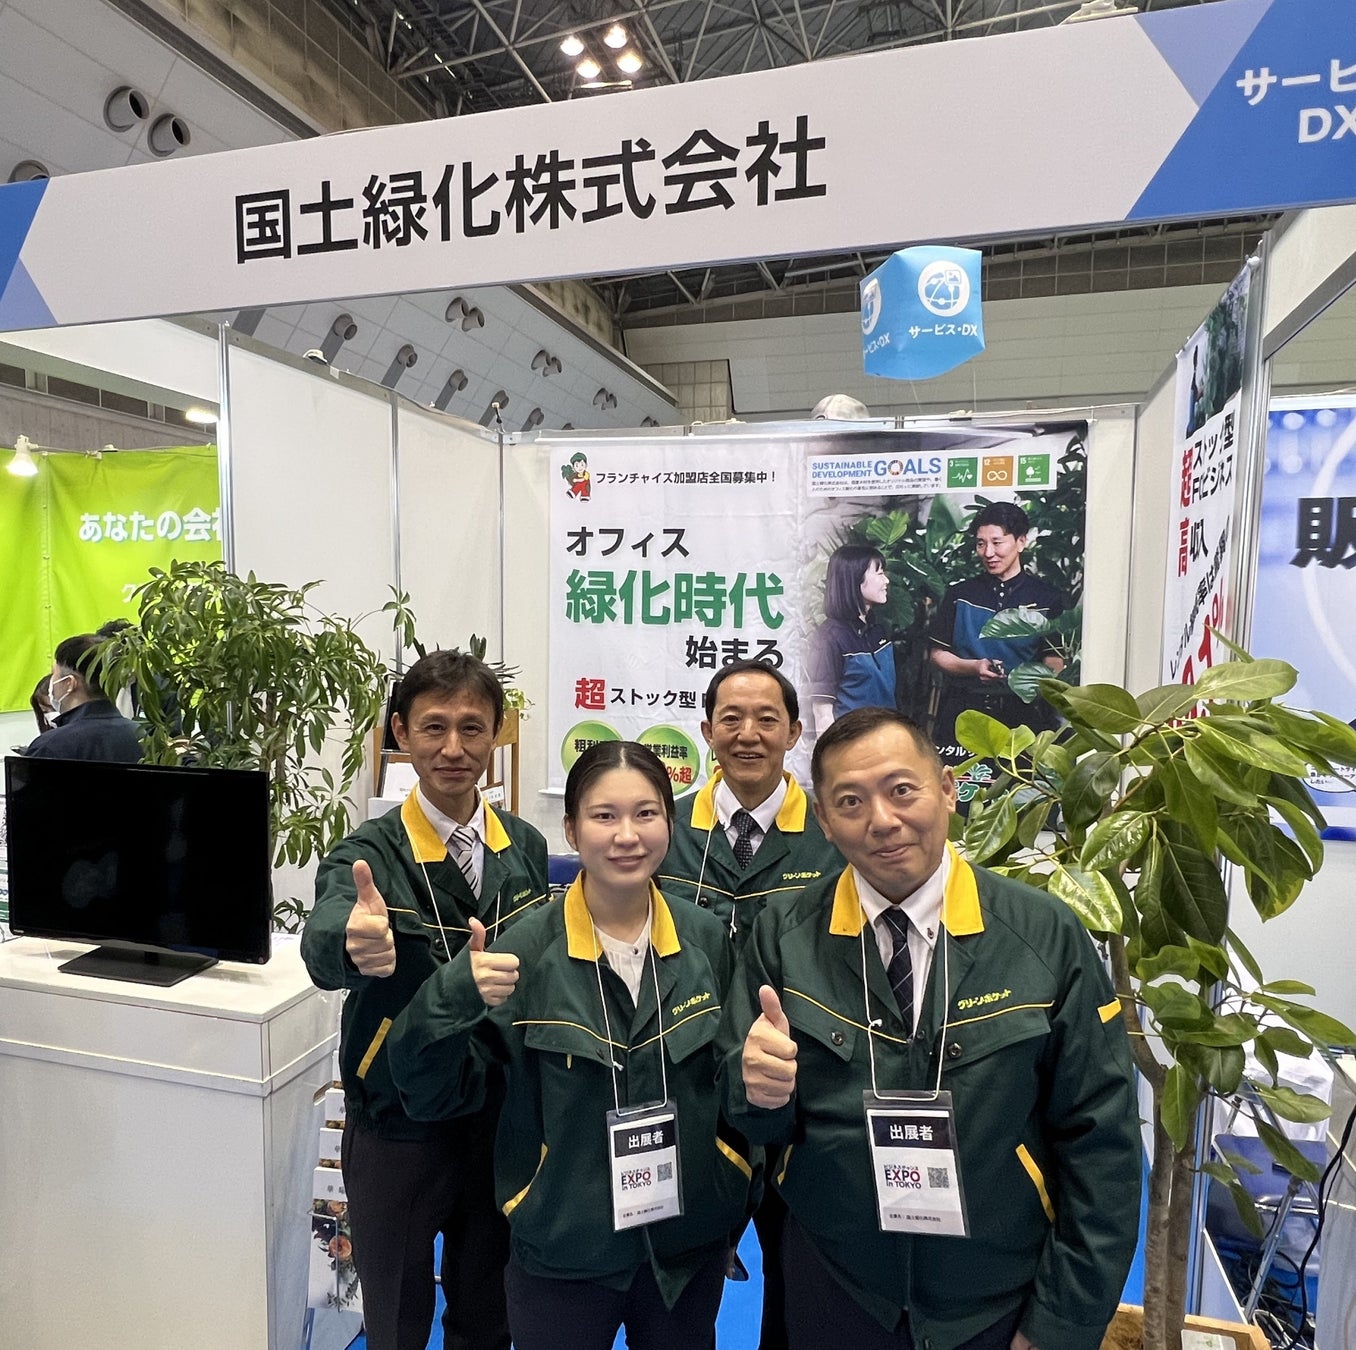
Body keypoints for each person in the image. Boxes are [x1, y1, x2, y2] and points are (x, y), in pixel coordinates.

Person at [721, 707, 1141, 1350]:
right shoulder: (783, 935)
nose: (882, 820)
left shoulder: (1043, 934)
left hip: (992, 1298)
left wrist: (1063, 1322)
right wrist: (756, 1090)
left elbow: (1101, 1140)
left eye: (901, 790)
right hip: (836, 1285)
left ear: (946, 789)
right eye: (851, 802)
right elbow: (751, 1119)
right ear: (825, 822)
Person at [387, 741, 751, 1350]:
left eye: (646, 813)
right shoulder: (523, 952)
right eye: (604, 815)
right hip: (563, 1249)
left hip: (684, 1246)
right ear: (572, 829)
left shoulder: (706, 939)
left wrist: (731, 1174)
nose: (627, 835)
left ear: (670, 822)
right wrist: (451, 993)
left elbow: (732, 1079)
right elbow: (429, 1091)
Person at [300, 649, 548, 1350]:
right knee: (397, 1317)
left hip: (499, 1116)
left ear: (496, 734)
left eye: (472, 728)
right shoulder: (368, 853)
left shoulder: (524, 848)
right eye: (434, 727)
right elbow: (325, 935)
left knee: (489, 1310)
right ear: (401, 732)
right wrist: (352, 944)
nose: (453, 748)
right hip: (397, 1122)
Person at [658, 658, 842, 1350]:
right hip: (687, 1087)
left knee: (800, 1290)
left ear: (794, 732)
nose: (748, 734)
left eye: (768, 719)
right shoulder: (663, 828)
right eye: (730, 718)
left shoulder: (831, 833)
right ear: (706, 730)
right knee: (681, 1293)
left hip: (797, 1093)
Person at [927, 502, 1067, 765]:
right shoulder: (960, 595)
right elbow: (937, 654)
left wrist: (1030, 685)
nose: (988, 552)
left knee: (1019, 785)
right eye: (981, 544)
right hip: (963, 712)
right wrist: (973, 667)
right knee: (962, 785)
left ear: (1021, 541)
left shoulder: (1047, 598)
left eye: (997, 542)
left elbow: (1053, 662)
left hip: (1022, 717)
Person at [808, 543, 895, 735]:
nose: (886, 580)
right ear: (855, 578)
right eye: (879, 573)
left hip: (886, 739)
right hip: (851, 743)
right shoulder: (829, 638)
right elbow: (822, 712)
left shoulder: (878, 631)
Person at [22, 634, 144, 762]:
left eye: (54, 674)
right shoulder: (143, 737)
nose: (51, 682)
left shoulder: (50, 747)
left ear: (69, 683)